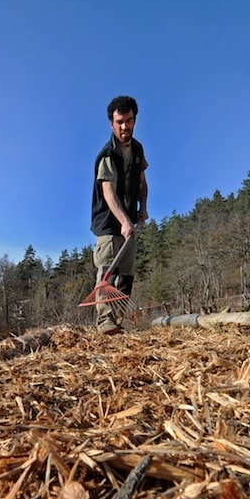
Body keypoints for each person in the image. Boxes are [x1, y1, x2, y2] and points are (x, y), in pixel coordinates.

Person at [90, 95, 148, 334]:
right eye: (120, 122)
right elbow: (108, 192)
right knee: (107, 270)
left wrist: (142, 208)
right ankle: (104, 320)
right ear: (111, 124)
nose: (125, 127)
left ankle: (117, 321)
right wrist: (124, 221)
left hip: (129, 222)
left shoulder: (137, 150)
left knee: (125, 276)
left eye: (129, 120)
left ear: (134, 120)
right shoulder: (107, 154)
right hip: (108, 223)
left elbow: (143, 182)